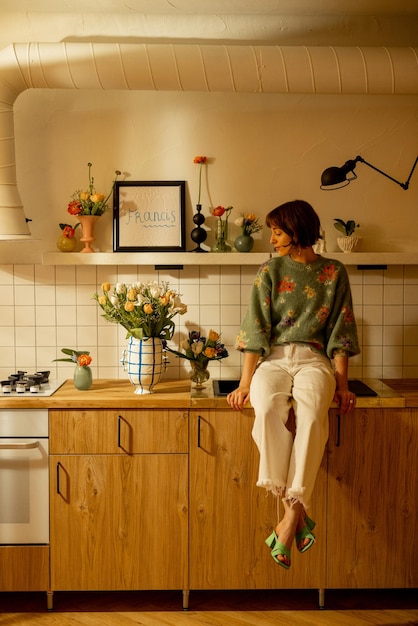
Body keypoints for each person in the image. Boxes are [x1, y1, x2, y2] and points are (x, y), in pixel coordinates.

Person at [226, 199, 360, 570]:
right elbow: (256, 327)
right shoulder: (270, 270)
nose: (273, 238)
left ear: (298, 232)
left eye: (278, 231)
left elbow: (341, 331)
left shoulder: (334, 272)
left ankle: (288, 521)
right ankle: (295, 514)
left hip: (315, 360)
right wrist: (245, 381)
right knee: (266, 408)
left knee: (314, 417)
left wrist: (344, 384)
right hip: (273, 359)